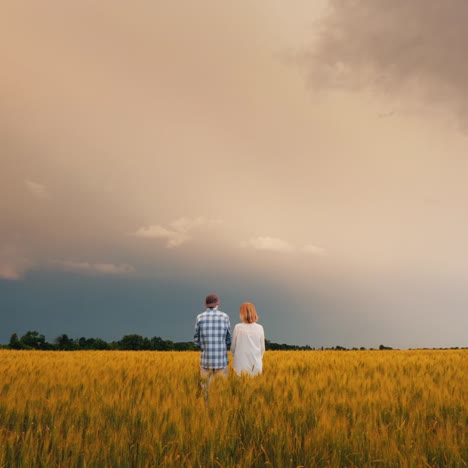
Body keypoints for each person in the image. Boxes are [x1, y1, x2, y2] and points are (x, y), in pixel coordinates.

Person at [193, 293, 231, 398]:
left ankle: (205, 410)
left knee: (205, 390)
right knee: (221, 390)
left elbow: (196, 339)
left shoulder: (199, 317)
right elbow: (228, 338)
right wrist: (222, 346)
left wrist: (204, 348)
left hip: (206, 360)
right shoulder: (225, 316)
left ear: (206, 304)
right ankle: (220, 409)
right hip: (221, 360)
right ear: (218, 303)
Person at [231, 302, 265, 376]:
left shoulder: (238, 327)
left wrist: (238, 357)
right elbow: (262, 349)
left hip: (240, 366)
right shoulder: (260, 328)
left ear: (242, 314)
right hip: (256, 365)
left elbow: (233, 348)